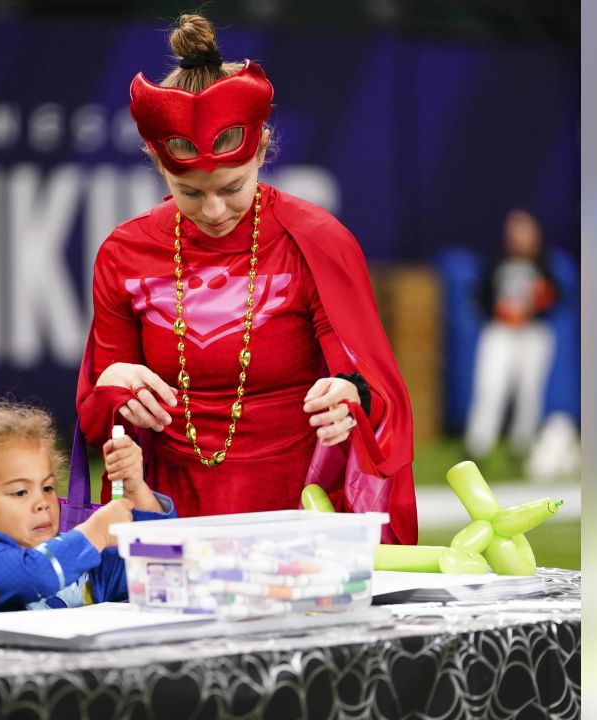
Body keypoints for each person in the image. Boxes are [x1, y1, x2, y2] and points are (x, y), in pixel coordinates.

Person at [74, 14, 417, 545]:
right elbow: (99, 428)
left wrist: (350, 396)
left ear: (261, 151)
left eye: (233, 187)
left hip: (297, 516)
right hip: (165, 516)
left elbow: (373, 390)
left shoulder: (316, 239)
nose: (213, 209)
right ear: (158, 166)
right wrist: (113, 391)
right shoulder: (124, 253)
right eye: (189, 191)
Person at [0, 399, 176, 616]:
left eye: (47, 488)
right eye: (20, 492)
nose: (42, 503)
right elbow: (34, 574)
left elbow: (160, 570)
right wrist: (95, 533)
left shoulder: (76, 553)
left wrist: (136, 489)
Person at [464, 209, 559, 460]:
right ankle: (479, 446)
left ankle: (522, 446)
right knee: (491, 386)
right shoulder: (497, 262)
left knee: (530, 390)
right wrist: (500, 311)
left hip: (533, 333)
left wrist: (540, 300)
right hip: (501, 331)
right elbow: (480, 297)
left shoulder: (544, 264)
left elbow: (556, 299)